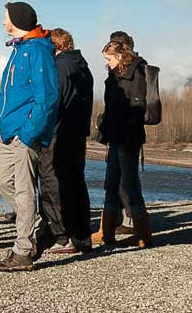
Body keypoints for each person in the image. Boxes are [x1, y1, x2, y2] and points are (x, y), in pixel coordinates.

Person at [0, 2, 58, 272]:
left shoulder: (37, 52)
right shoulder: (19, 49)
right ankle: (38, 226)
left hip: (23, 135)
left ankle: (23, 250)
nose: (3, 21)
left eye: (5, 17)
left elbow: (47, 98)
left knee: (24, 190)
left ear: (16, 19)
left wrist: (29, 133)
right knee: (3, 183)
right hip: (6, 134)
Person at [37, 28, 94, 255]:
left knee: (54, 185)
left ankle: (62, 236)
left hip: (58, 134)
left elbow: (54, 103)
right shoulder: (83, 66)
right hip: (77, 133)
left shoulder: (60, 67)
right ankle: (82, 236)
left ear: (55, 46)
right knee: (77, 184)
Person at [96, 33, 154, 249]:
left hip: (127, 138)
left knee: (129, 185)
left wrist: (128, 135)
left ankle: (143, 234)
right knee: (111, 183)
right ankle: (107, 233)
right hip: (115, 136)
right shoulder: (115, 77)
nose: (107, 64)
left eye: (109, 59)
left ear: (120, 55)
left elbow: (137, 109)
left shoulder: (135, 73)